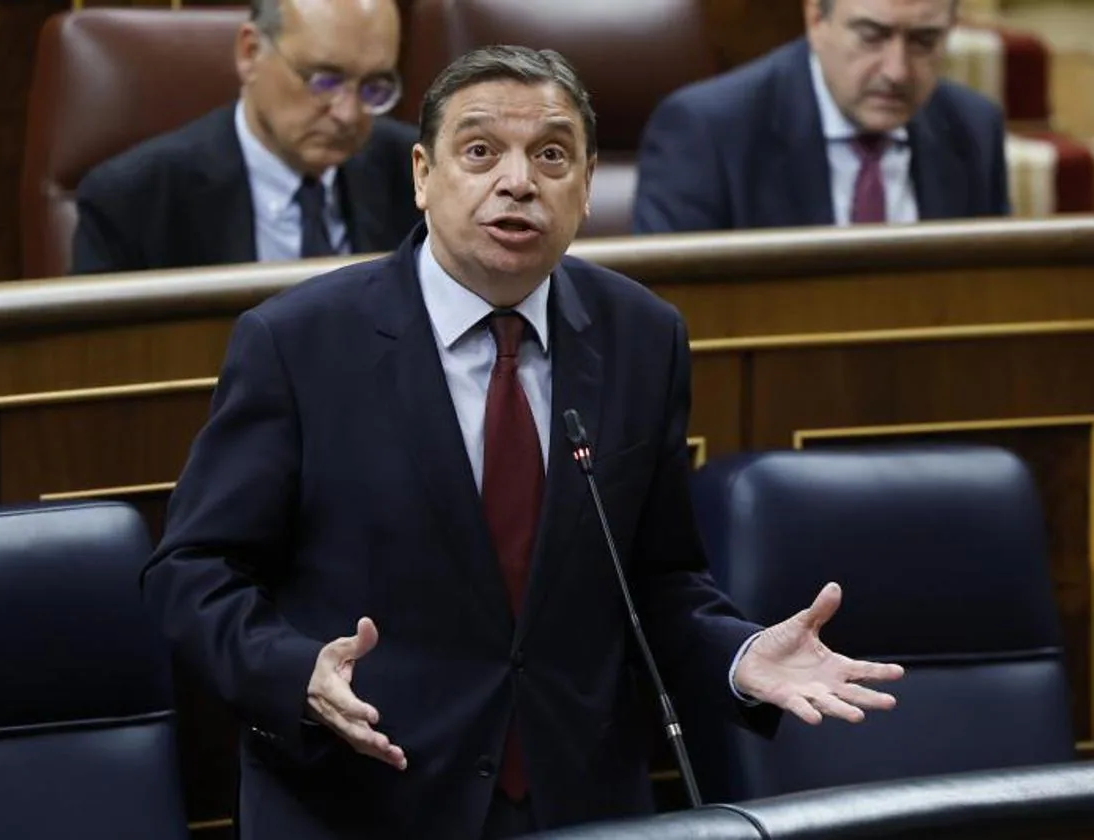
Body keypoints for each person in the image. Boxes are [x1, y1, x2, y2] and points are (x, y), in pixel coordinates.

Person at [142, 45, 904, 840]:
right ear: (421, 175)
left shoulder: (642, 337)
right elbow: (191, 574)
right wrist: (295, 672)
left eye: (551, 155)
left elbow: (657, 576)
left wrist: (736, 656)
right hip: (362, 799)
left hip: (575, 802)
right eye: (480, 152)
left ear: (586, 182)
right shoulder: (298, 344)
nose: (518, 182)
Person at [70, 0, 421, 275]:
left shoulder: (420, 175)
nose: (348, 113)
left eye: (374, 86)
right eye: (324, 80)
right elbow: (98, 358)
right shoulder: (134, 202)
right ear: (250, 53)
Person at [632, 0, 1010, 234]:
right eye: (871, 36)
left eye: (923, 41)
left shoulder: (975, 128)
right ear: (816, 19)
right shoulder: (706, 132)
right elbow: (673, 320)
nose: (897, 72)